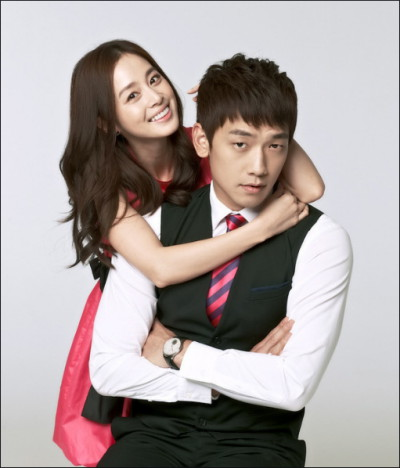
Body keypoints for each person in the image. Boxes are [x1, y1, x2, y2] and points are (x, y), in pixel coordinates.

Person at [53, 39, 324, 466]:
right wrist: (259, 230)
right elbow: (159, 266)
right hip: (143, 305)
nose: (155, 96)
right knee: (141, 429)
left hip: (210, 295)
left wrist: (242, 111)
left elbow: (311, 189)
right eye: (132, 96)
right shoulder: (106, 183)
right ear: (107, 122)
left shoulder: (199, 142)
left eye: (154, 79)